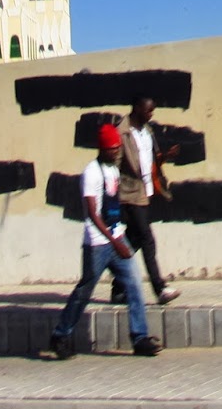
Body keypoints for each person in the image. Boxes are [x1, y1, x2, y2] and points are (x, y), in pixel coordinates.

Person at [48, 123, 163, 358]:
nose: (116, 152)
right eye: (112, 149)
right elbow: (92, 212)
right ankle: (60, 335)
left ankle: (139, 337)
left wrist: (122, 236)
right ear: (102, 148)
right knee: (84, 291)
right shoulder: (91, 172)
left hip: (116, 237)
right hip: (97, 244)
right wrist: (115, 241)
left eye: (117, 148)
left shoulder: (113, 170)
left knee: (134, 284)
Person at [109, 95, 180, 306]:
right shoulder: (121, 132)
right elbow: (114, 165)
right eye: (148, 110)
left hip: (145, 191)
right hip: (128, 194)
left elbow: (148, 160)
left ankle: (118, 289)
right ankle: (160, 288)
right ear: (137, 108)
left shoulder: (147, 130)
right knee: (147, 238)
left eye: (152, 111)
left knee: (134, 240)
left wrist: (165, 156)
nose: (151, 114)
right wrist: (113, 196)